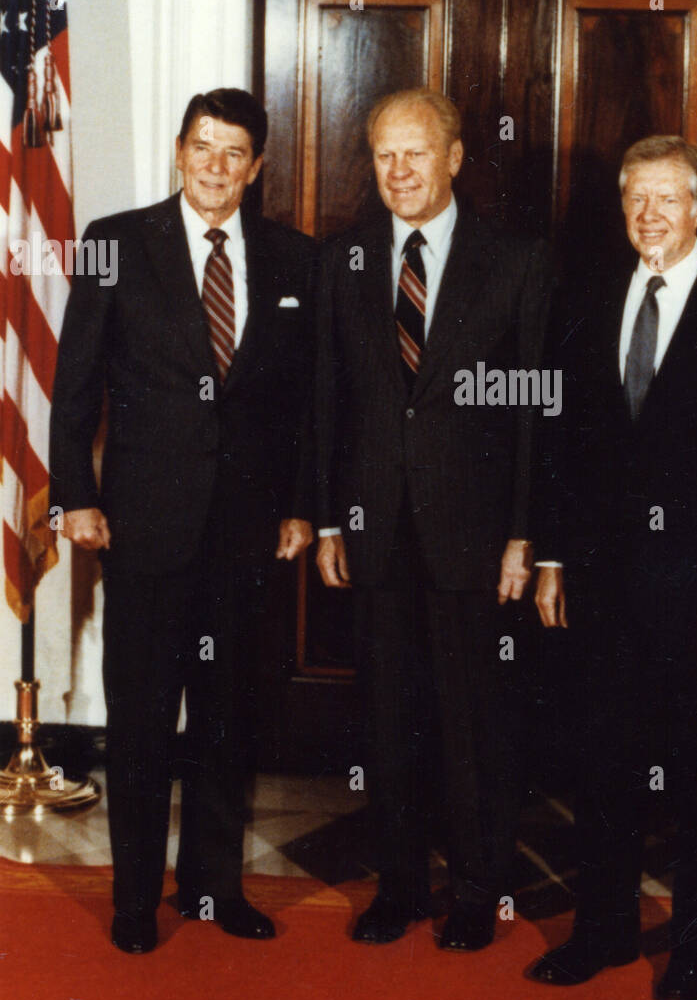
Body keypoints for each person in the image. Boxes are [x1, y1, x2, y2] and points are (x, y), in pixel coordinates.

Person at [50, 89, 317, 953]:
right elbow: (74, 387)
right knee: (140, 721)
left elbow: (307, 404)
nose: (215, 165)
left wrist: (303, 506)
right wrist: (75, 497)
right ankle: (135, 903)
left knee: (227, 719)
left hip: (244, 536)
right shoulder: (115, 244)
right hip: (144, 531)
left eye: (234, 152)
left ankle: (215, 891)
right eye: (203, 146)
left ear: (257, 167)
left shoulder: (292, 261)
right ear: (178, 150)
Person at [529, 135, 697, 1000]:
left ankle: (693, 949)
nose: (649, 216)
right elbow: (561, 446)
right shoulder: (587, 300)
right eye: (635, 199)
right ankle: (601, 933)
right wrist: (556, 556)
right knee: (601, 766)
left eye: (667, 199)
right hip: (602, 589)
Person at [315, 87, 552, 951]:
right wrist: (331, 522)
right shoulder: (342, 260)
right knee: (386, 720)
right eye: (384, 154)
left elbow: (535, 408)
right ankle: (400, 886)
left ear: (455, 158)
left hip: (475, 537)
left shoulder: (518, 260)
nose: (399, 170)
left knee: (472, 724)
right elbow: (326, 400)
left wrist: (526, 533)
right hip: (374, 528)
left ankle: (476, 891)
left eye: (416, 152)